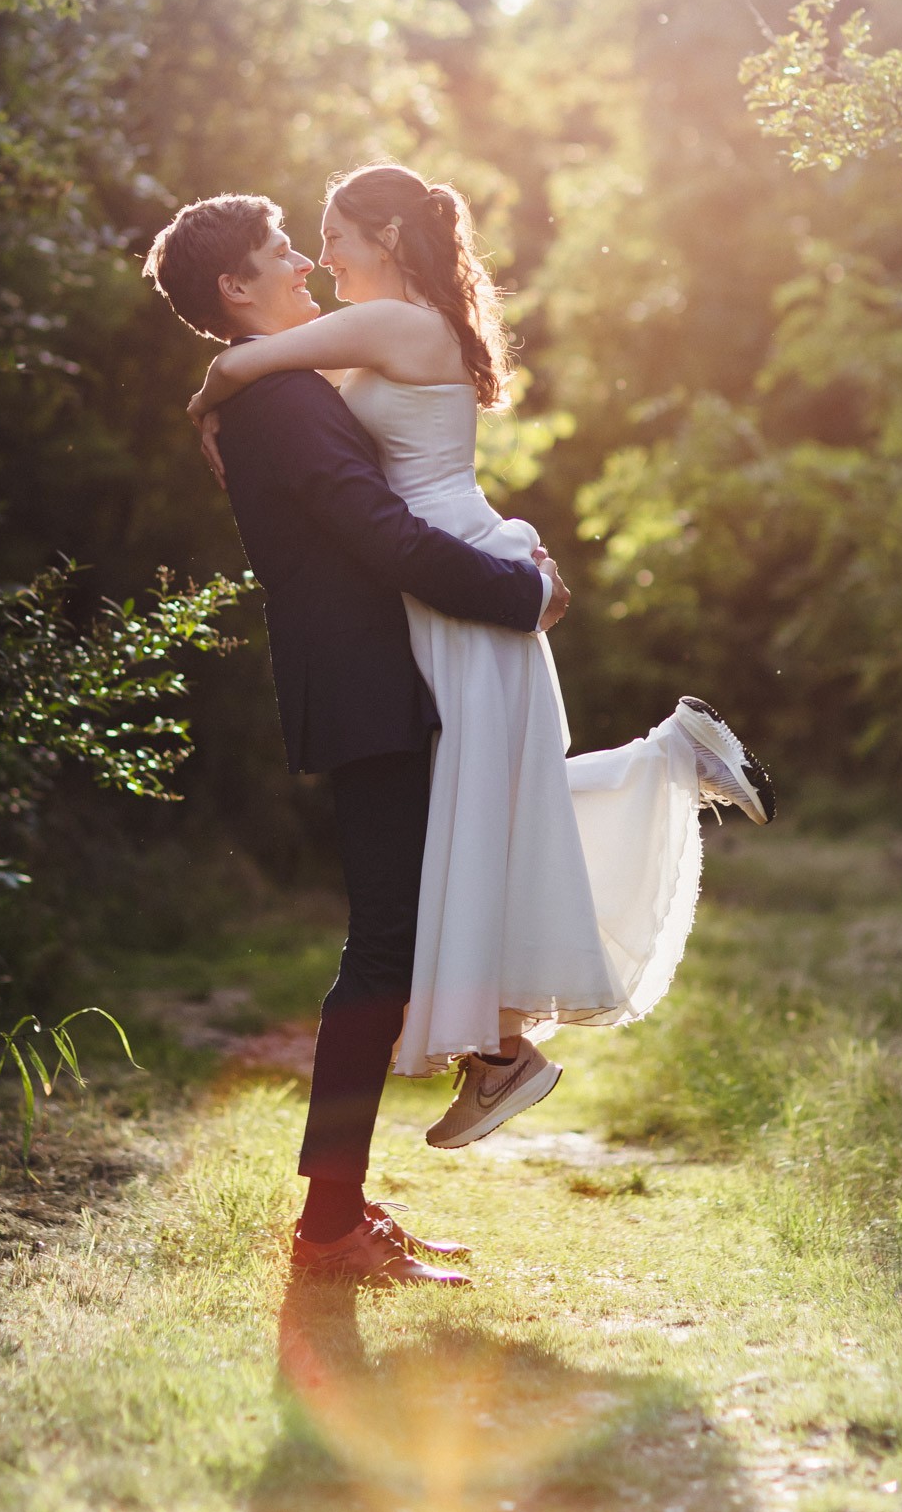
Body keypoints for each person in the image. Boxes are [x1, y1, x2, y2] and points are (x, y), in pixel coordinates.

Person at [187, 161, 776, 1157]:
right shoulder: (396, 331)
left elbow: (248, 363)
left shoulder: (397, 327)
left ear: (385, 237)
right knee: (492, 801)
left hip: (450, 583)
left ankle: (499, 1047)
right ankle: (507, 1036)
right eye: (310, 241)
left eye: (333, 234)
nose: (320, 255)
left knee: (486, 804)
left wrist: (203, 398)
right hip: (445, 578)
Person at [143, 193, 571, 1288]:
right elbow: (378, 532)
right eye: (279, 251)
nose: (301, 260)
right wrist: (519, 595)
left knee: (395, 932)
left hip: (384, 677)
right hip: (368, 685)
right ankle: (331, 1227)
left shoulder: (285, 382)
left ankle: (376, 1177)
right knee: (381, 947)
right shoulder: (280, 400)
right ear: (236, 290)